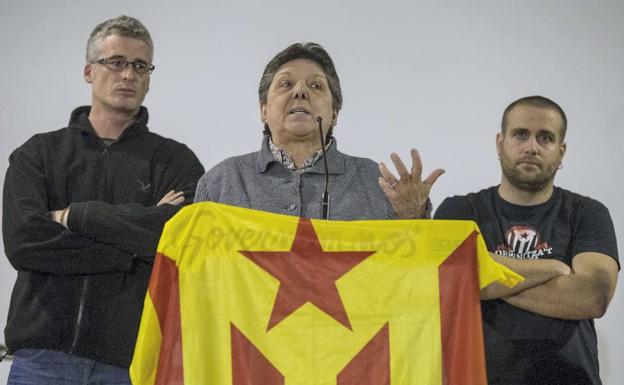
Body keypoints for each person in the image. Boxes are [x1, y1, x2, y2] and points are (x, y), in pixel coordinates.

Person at [2, 15, 204, 385]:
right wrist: (130, 253)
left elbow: (182, 240)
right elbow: (25, 242)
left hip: (132, 363)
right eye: (116, 62)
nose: (128, 75)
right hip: (42, 360)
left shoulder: (176, 161)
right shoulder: (38, 153)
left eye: (140, 66)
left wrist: (75, 217)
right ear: (89, 71)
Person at [434, 96, 619, 385]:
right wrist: (553, 269)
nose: (531, 147)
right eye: (521, 134)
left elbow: (592, 296)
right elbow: (449, 282)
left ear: (561, 151)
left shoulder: (587, 213)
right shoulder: (460, 211)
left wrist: (486, 278)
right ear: (500, 143)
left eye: (545, 137)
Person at [194, 42, 443, 220]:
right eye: (285, 83)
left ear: (334, 113)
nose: (300, 91)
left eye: (316, 85)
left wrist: (412, 216)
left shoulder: (377, 183)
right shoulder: (220, 183)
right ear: (264, 110)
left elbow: (409, 273)